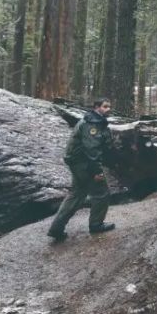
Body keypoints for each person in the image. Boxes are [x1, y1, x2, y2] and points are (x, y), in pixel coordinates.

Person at [47, 98, 116, 242]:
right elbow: (92, 150)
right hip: (84, 164)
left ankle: (56, 228)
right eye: (105, 106)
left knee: (77, 194)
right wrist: (96, 172)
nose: (108, 109)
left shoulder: (96, 121)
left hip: (79, 163)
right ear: (97, 107)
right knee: (101, 193)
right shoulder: (91, 124)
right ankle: (96, 225)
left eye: (109, 106)